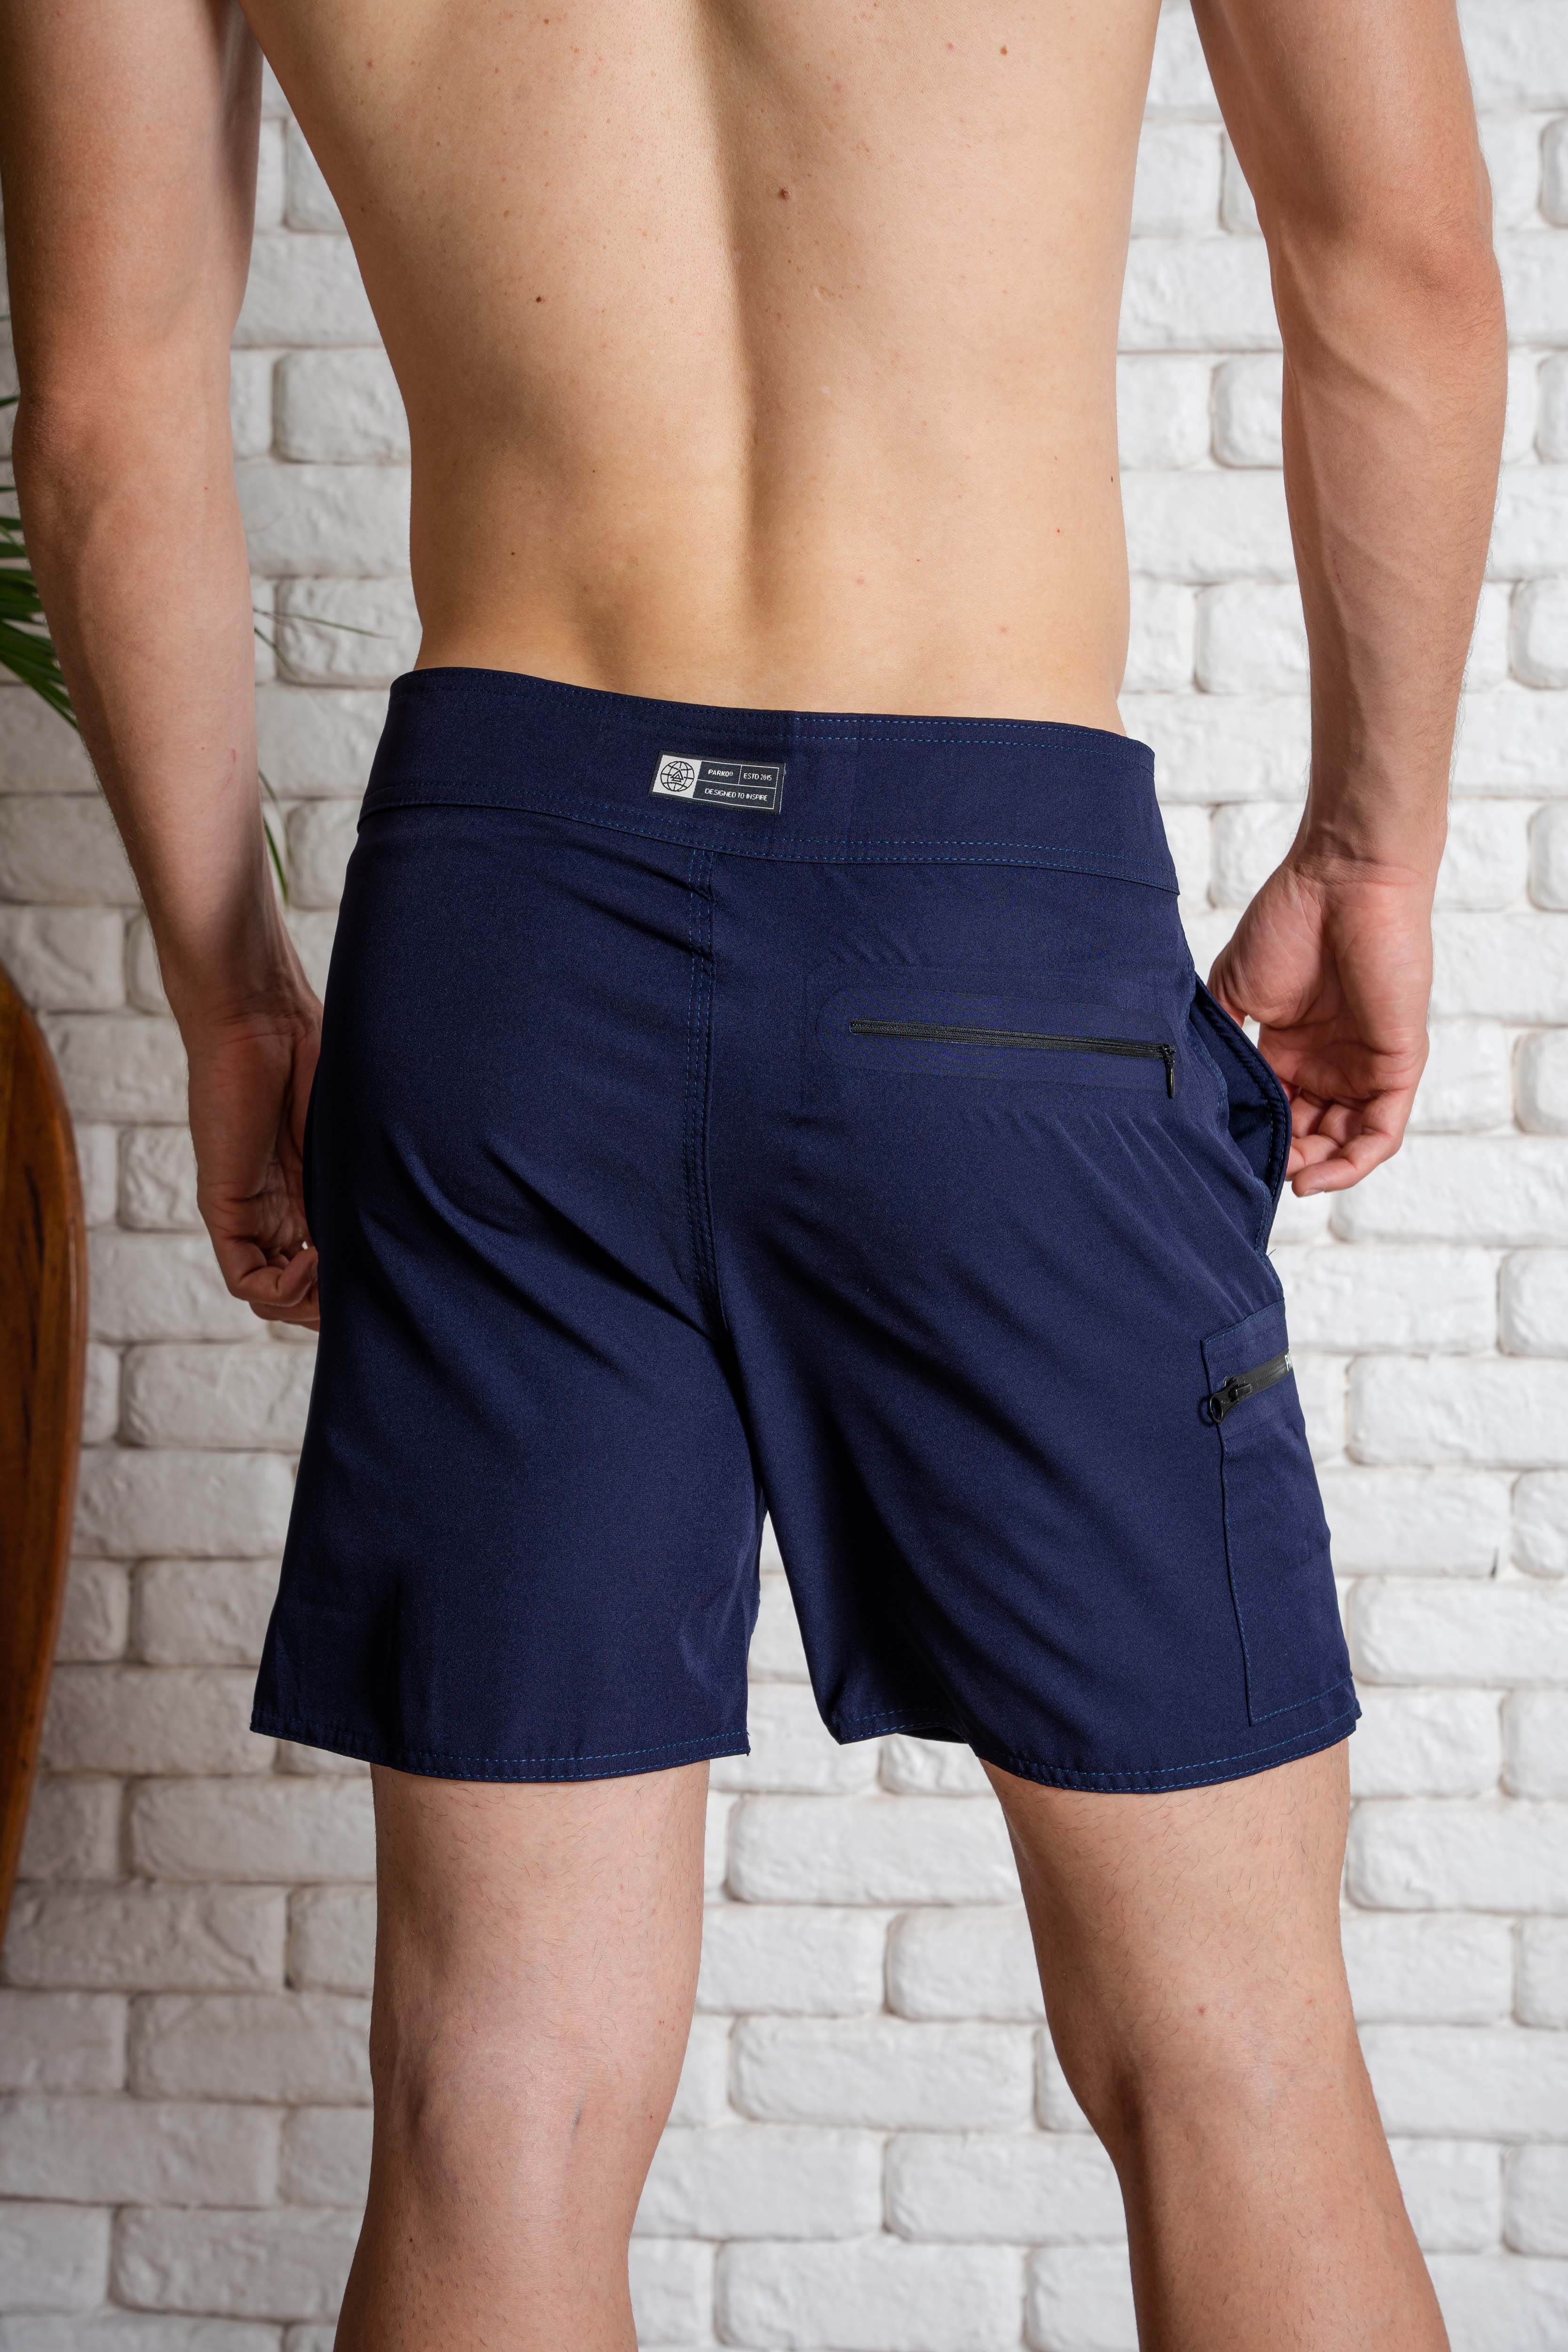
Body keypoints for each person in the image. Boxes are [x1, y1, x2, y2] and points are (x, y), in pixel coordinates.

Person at [0, 0, 1504, 2343]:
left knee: (497, 2092)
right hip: (987, 923)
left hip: (503, 939)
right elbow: (1393, 271)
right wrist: (1368, 845)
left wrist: (234, 1000)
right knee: (1232, 2057)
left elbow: (104, 418)